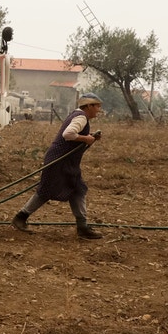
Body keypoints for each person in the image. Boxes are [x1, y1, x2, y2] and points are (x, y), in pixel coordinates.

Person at [11, 93, 104, 240]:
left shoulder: (79, 116)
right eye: (97, 106)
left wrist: (90, 136)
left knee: (78, 190)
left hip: (65, 161)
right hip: (59, 161)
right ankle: (20, 217)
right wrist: (86, 138)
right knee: (46, 191)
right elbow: (68, 134)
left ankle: (82, 226)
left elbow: (74, 135)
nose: (98, 109)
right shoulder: (81, 117)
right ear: (89, 106)